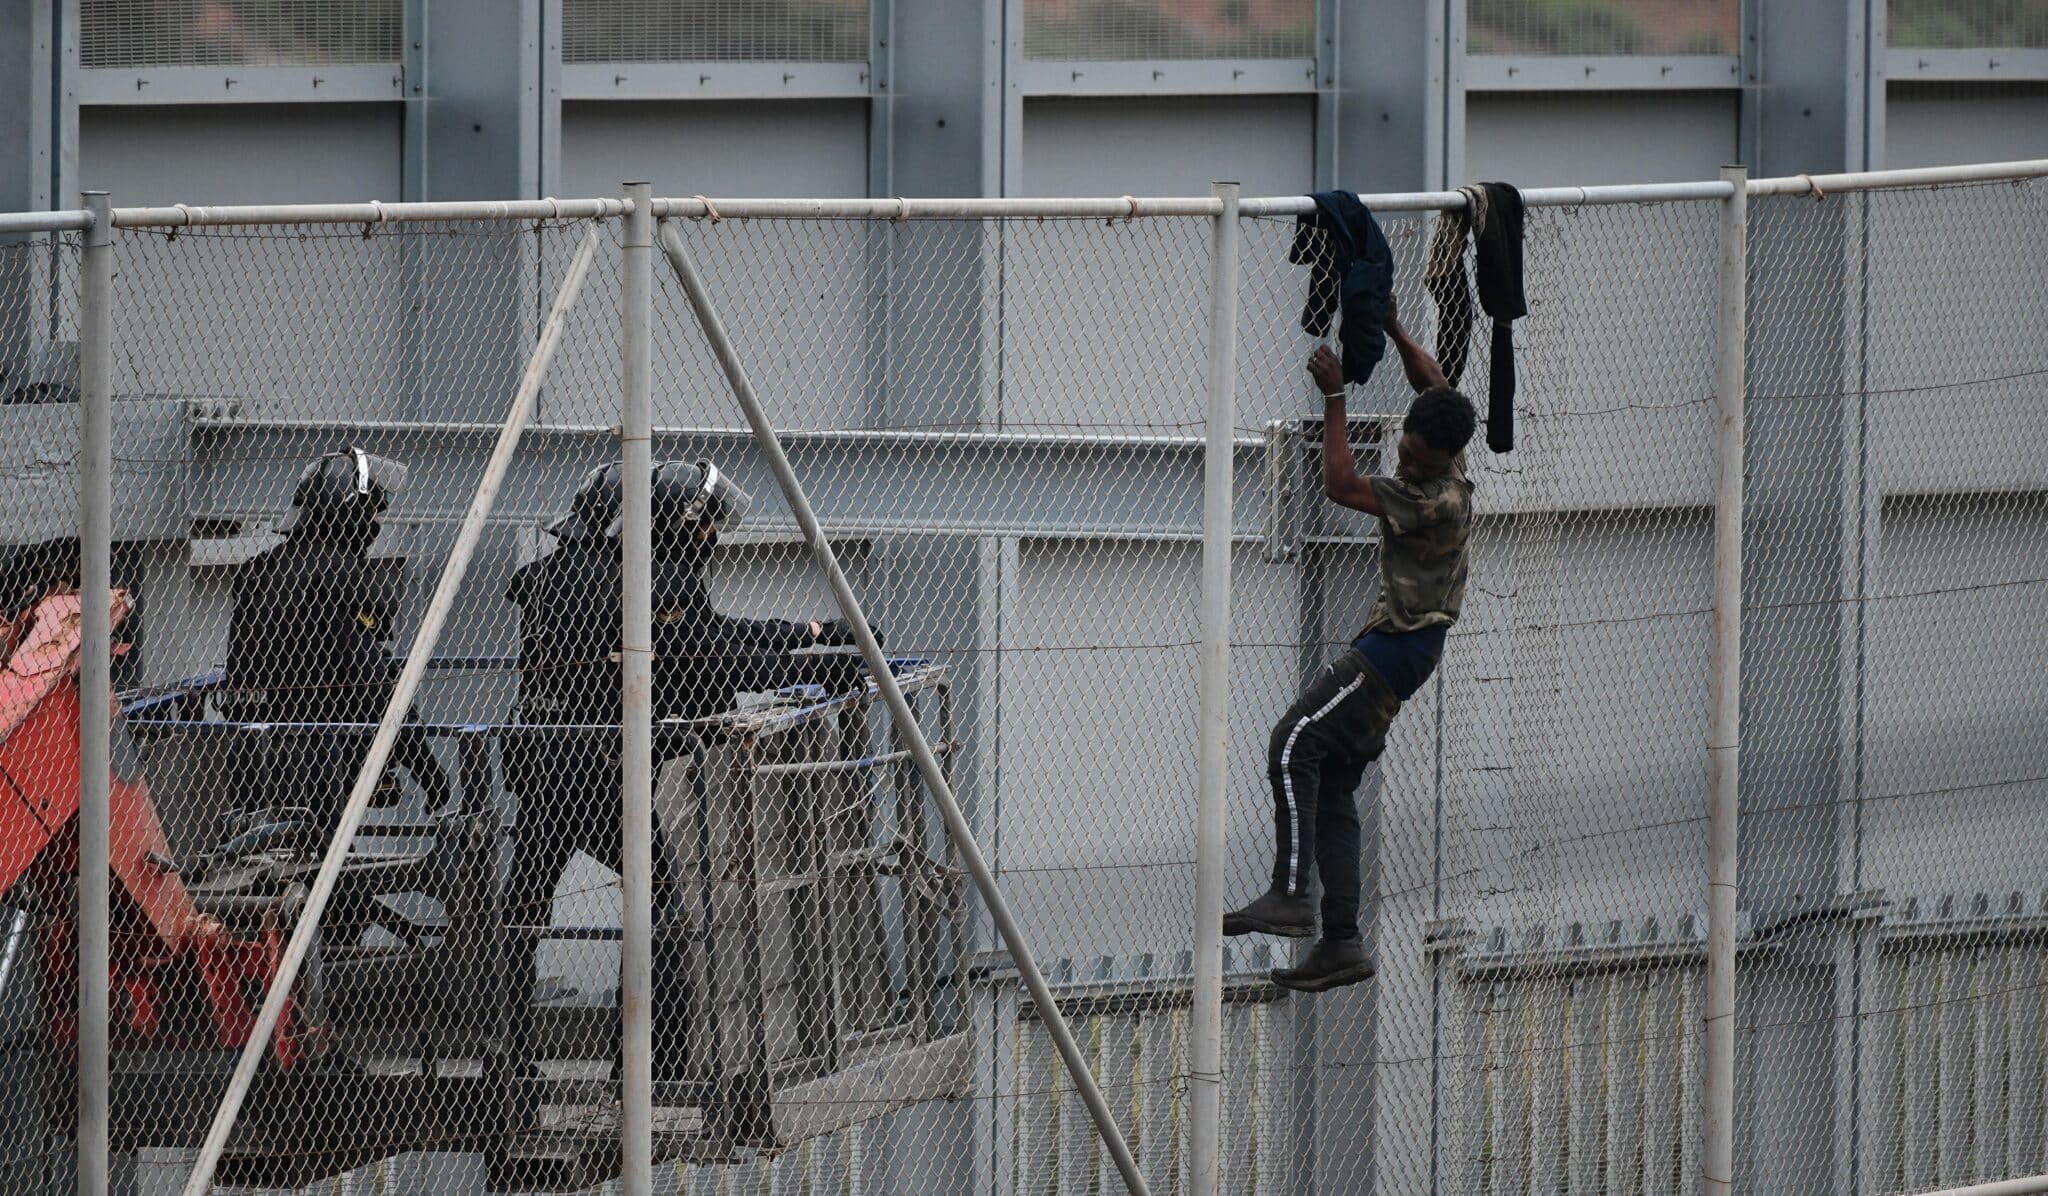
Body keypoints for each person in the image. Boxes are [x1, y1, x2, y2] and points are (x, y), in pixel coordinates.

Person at [493, 459, 870, 1100]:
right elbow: (708, 663)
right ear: (665, 522)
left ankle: (512, 1067)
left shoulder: (561, 575)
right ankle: (651, 1071)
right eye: (701, 524)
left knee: (521, 911)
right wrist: (812, 662)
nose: (710, 538)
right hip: (600, 771)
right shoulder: (646, 581)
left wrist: (805, 637)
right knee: (661, 909)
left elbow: (706, 638)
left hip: (541, 758)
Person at [1223, 307, 1476, 993]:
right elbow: (1435, 380)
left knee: (1291, 741)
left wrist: (1336, 395)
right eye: (1407, 448)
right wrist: (1391, 327)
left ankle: (1291, 892)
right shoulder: (1446, 435)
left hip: (1394, 650)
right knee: (1331, 781)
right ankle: (1342, 941)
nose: (1405, 458)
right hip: (1405, 651)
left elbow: (1338, 484)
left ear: (1440, 462)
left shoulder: (1432, 498)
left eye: (1418, 460)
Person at [217, 448, 448, 862]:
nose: (376, 524)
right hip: (314, 758)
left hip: (245, 755)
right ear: (348, 514)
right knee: (327, 882)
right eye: (371, 512)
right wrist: (427, 769)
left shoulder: (259, 570)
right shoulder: (341, 576)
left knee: (279, 873)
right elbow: (376, 686)